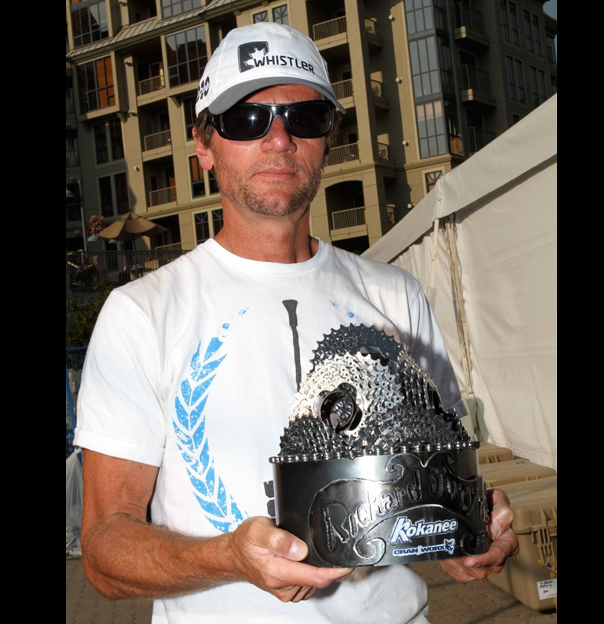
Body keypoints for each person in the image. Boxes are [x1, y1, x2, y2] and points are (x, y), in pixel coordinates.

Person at [76, 22, 519, 624]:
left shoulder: (397, 295)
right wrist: (230, 557)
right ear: (204, 147)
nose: (279, 138)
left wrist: (467, 539)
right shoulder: (141, 314)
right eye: (246, 120)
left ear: (327, 140)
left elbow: (430, 487)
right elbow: (104, 551)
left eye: (302, 117)